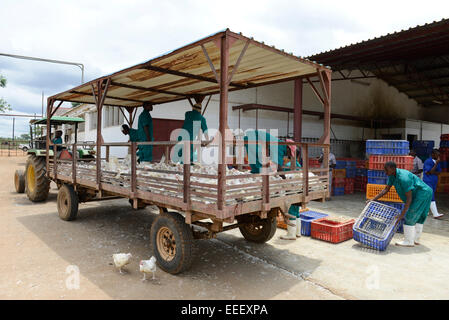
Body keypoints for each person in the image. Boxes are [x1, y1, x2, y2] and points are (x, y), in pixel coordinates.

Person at [368, 161, 433, 247]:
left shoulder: (403, 178)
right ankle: (415, 239)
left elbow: (409, 199)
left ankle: (408, 241)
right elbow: (386, 190)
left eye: (386, 170)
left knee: (410, 216)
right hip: (422, 192)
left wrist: (401, 215)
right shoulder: (392, 175)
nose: (385, 172)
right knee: (419, 216)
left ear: (393, 169)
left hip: (422, 193)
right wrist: (372, 200)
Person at [280, 139, 303, 240]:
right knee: (297, 212)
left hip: (291, 190)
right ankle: (298, 233)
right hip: (298, 190)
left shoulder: (289, 165)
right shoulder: (298, 164)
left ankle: (291, 235)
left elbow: (283, 176)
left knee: (291, 212)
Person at [423, 149, 444, 219]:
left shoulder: (438, 162)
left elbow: (439, 172)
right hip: (428, 181)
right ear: (432, 154)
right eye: (437, 155)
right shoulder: (428, 161)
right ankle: (435, 214)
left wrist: (432, 172)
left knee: (427, 196)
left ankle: (424, 211)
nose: (438, 156)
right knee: (431, 196)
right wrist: (436, 165)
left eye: (439, 155)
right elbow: (429, 172)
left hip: (434, 181)